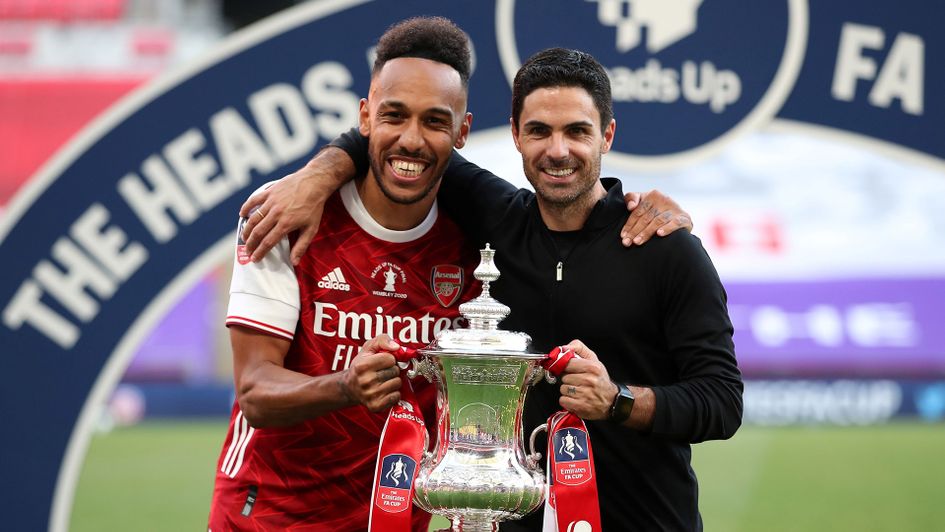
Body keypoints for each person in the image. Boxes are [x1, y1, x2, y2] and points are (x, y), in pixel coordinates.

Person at [242, 47, 742, 531]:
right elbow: (393, 138)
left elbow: (721, 401)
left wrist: (618, 400)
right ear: (515, 136)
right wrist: (314, 177)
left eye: (577, 131)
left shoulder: (665, 249)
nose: (558, 150)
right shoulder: (496, 220)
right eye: (539, 131)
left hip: (645, 521)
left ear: (607, 135)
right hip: (503, 518)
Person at [207, 17, 480, 531]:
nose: (411, 139)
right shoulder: (286, 216)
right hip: (265, 515)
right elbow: (255, 391)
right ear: (365, 117)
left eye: (435, 122)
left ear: (462, 131)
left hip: (394, 520)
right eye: (394, 115)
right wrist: (346, 386)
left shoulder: (479, 244)